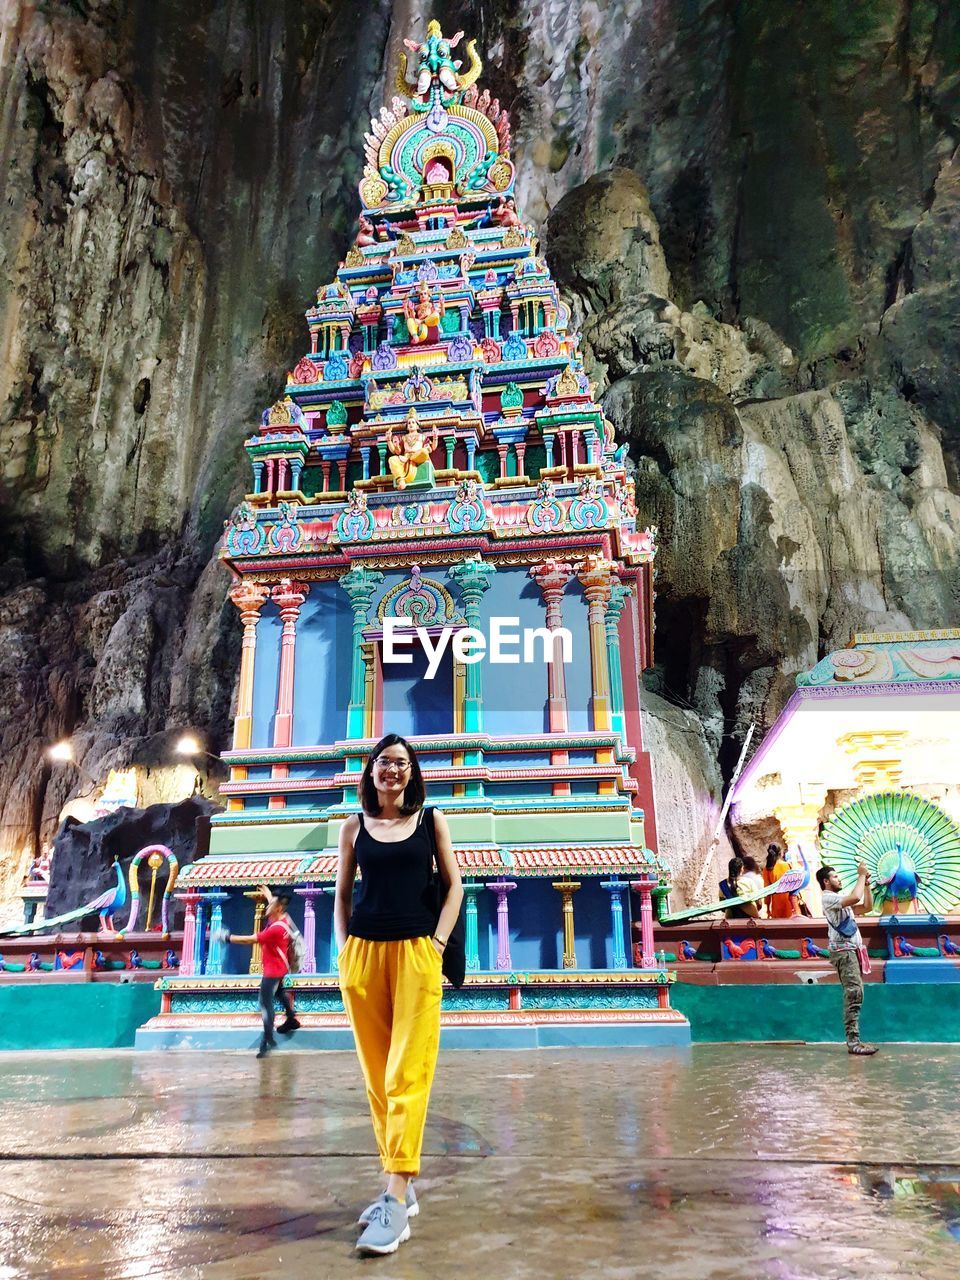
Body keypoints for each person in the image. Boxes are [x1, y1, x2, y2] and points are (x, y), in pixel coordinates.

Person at [335, 733, 463, 1256]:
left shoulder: (431, 821)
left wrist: (435, 943)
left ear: (412, 773)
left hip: (415, 954)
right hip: (364, 955)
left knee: (406, 1071)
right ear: (370, 771)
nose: (392, 771)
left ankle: (396, 1190)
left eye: (402, 764)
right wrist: (344, 952)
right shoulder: (352, 827)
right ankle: (398, 1188)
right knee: (376, 1076)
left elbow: (455, 885)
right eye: (384, 762)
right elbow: (342, 892)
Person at [226, 884, 301, 1059]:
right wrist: (268, 894)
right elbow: (274, 906)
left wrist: (227, 937)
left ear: (278, 908)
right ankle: (291, 1019)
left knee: (265, 1004)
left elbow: (249, 940)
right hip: (280, 968)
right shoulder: (283, 919)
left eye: (270, 905)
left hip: (272, 972)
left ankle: (266, 1042)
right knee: (280, 994)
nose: (267, 907)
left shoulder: (274, 929)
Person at [816, 862, 878, 1056]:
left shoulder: (839, 901)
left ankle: (855, 1039)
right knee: (854, 993)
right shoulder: (828, 898)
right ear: (825, 881)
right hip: (844, 952)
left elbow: (866, 906)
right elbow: (855, 897)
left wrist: (866, 884)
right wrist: (861, 875)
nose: (839, 879)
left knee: (856, 992)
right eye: (835, 877)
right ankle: (853, 1041)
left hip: (851, 951)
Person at [386, 408, 439, 490]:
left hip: (417, 456)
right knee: (392, 459)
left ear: (417, 425)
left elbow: (432, 448)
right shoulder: (403, 438)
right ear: (407, 427)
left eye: (413, 422)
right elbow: (396, 451)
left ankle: (412, 458)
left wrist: (435, 437)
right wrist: (389, 440)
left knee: (424, 451)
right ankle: (401, 481)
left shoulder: (422, 436)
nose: (411, 424)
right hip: (406, 457)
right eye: (409, 423)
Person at [764, 843, 800, 919]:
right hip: (789, 902)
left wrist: (767, 907)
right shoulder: (787, 865)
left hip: (776, 904)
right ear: (780, 853)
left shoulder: (767, 868)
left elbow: (767, 890)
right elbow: (794, 885)